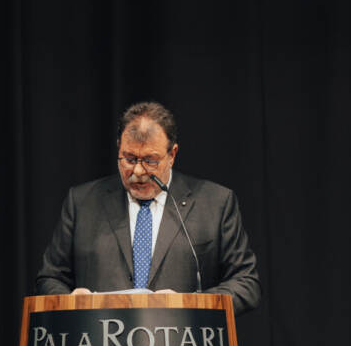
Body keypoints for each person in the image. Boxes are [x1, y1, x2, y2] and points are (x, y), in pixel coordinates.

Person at [36, 101, 261, 316]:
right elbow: (50, 279)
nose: (138, 171)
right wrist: (71, 302)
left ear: (172, 155)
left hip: (182, 339)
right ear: (119, 147)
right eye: (129, 159)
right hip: (100, 338)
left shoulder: (214, 203)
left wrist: (190, 305)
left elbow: (246, 284)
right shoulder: (83, 203)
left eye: (150, 161)